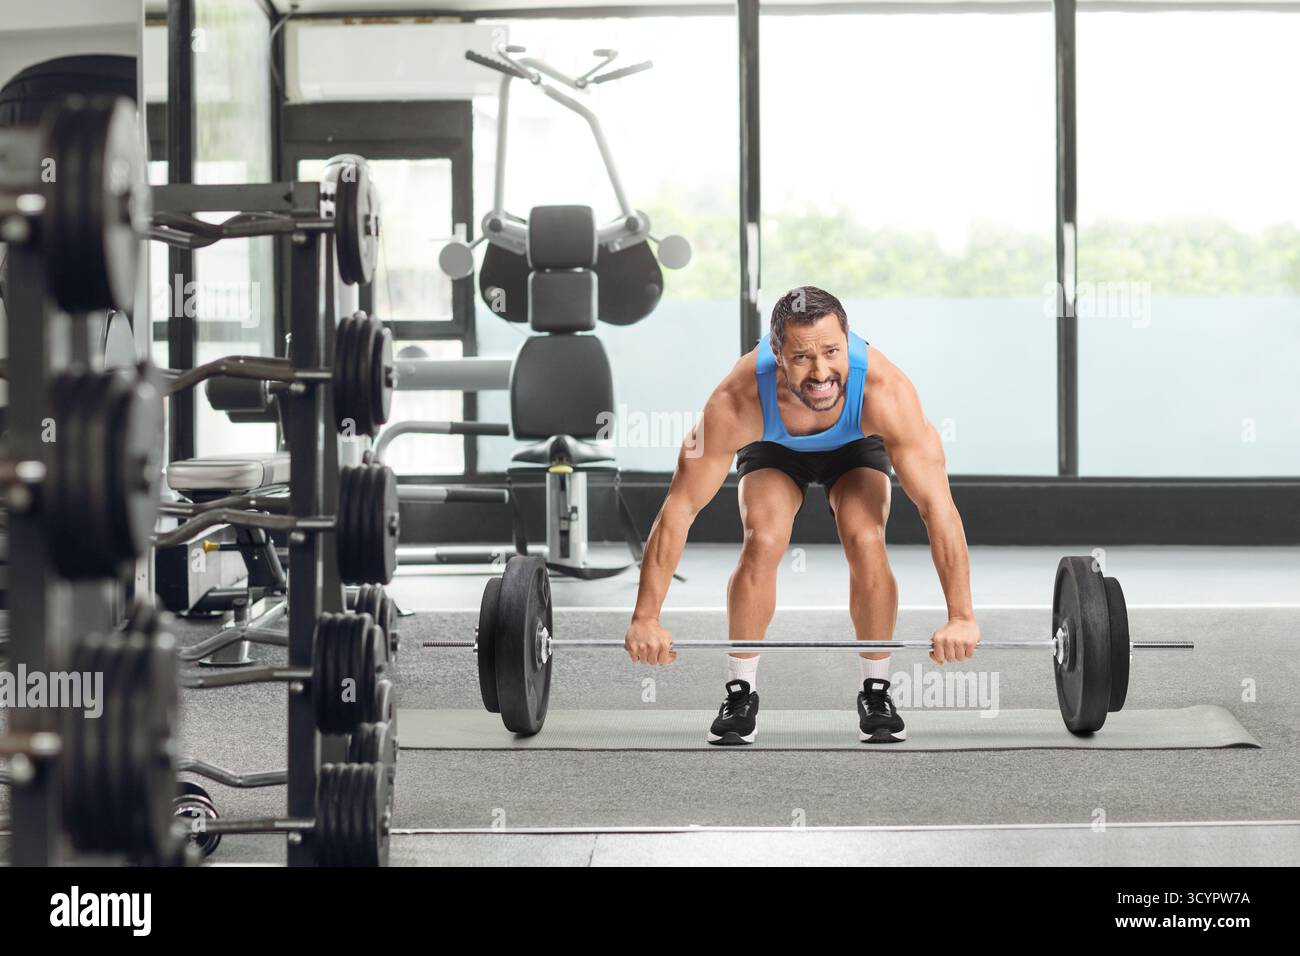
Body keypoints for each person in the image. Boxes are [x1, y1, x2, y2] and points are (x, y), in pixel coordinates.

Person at [622, 286, 980, 744]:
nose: (821, 371)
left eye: (832, 351)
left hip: (854, 445)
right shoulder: (736, 401)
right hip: (774, 447)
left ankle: (876, 689)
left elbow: (938, 508)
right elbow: (678, 510)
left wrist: (961, 615)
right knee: (764, 539)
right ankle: (741, 691)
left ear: (847, 340)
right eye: (802, 357)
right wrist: (646, 617)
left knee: (865, 536)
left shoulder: (885, 393)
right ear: (777, 352)